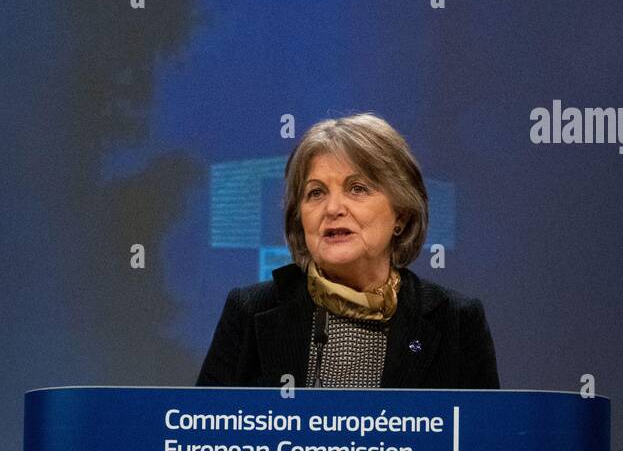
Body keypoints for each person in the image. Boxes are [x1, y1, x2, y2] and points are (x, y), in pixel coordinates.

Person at [196, 113, 500, 389]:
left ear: (401, 215)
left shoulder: (456, 322)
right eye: (316, 193)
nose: (332, 209)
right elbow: (202, 438)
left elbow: (484, 445)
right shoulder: (250, 311)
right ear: (299, 217)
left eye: (357, 189)